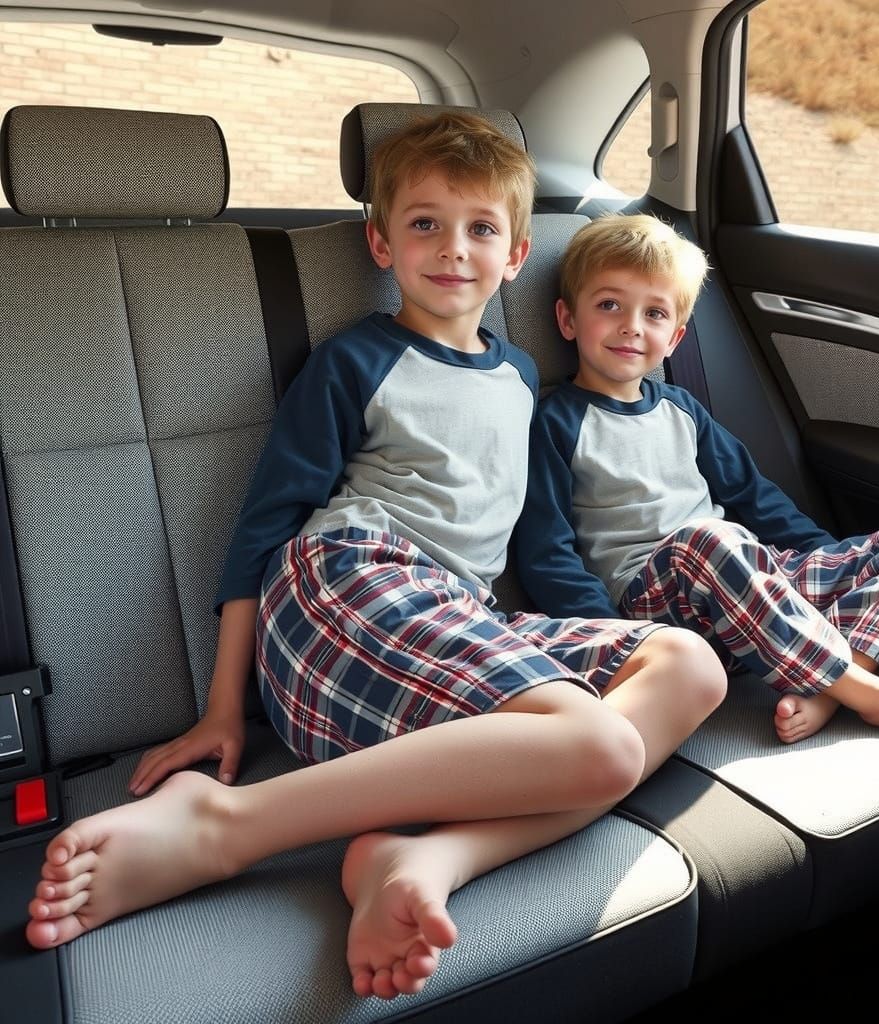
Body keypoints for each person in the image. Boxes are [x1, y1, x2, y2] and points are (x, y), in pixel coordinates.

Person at [25, 115, 726, 1001]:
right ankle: (224, 826)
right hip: (346, 587)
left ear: (515, 255)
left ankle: (426, 856)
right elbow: (263, 528)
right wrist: (222, 709)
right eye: (424, 223)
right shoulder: (358, 358)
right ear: (380, 242)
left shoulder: (521, 381)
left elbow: (534, 542)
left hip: (459, 622)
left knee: (690, 668)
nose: (452, 249)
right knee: (601, 744)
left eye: (480, 229)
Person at [516, 213, 879, 748]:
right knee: (709, 538)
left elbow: (754, 497)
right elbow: (547, 552)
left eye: (654, 313)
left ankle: (833, 684)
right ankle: (867, 691)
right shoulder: (554, 422)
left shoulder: (683, 411)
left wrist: (827, 565)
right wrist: (620, 640)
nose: (631, 326)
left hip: (748, 588)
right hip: (657, 606)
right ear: (568, 318)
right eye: (609, 306)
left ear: (674, 337)